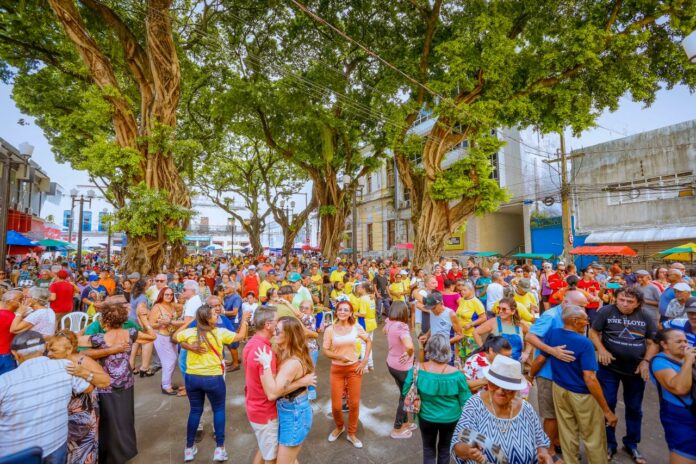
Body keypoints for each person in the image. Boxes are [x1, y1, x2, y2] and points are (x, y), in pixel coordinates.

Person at [529, 305, 617, 464]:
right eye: (585, 319)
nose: (587, 322)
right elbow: (590, 378)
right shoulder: (584, 343)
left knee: (567, 431)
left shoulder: (553, 334)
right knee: (593, 435)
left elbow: (541, 359)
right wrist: (606, 410)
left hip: (559, 389)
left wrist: (530, 376)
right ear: (575, 321)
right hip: (581, 394)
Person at [79, 301, 156, 464]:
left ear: (105, 320)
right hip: (126, 381)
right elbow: (152, 336)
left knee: (107, 419)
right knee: (125, 417)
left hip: (105, 384)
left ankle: (109, 456)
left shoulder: (98, 338)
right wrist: (146, 321)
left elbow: (75, 343)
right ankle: (126, 452)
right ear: (123, 319)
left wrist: (89, 327)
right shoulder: (131, 333)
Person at [589, 286, 658, 463]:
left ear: (638, 303)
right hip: (608, 368)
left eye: (630, 302)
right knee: (608, 403)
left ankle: (631, 443)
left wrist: (646, 361)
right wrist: (601, 349)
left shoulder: (646, 316)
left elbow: (652, 342)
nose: (625, 304)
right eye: (621, 300)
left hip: (635, 370)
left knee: (634, 408)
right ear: (615, 299)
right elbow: (594, 332)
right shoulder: (606, 311)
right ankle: (609, 444)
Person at [0, 331, 91, 463]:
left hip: (18, 455)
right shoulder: (64, 366)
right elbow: (88, 388)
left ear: (15, 353)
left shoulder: (5, 381)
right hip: (56, 444)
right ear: (44, 348)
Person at [174, 304, 249, 461]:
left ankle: (188, 449)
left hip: (192, 378)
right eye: (215, 315)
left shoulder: (190, 333)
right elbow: (240, 336)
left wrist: (190, 323)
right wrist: (245, 320)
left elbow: (175, 336)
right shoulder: (219, 333)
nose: (217, 316)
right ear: (207, 318)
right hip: (213, 378)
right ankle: (220, 449)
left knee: (195, 411)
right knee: (218, 410)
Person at [243, 306, 314, 464]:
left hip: (294, 413)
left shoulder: (290, 363)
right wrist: (301, 382)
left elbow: (273, 394)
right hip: (285, 410)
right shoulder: (277, 351)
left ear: (288, 336)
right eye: (275, 327)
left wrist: (267, 366)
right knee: (277, 456)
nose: (274, 331)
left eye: (278, 331)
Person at [451, 355, 553, 464]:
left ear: (515, 389)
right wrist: (468, 451)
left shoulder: (526, 409)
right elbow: (458, 445)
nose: (500, 391)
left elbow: (541, 442)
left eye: (507, 388)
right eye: (493, 384)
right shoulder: (474, 405)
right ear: (488, 382)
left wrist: (544, 456)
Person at [403, 334, 471, 464]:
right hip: (451, 418)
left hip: (426, 416)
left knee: (428, 449)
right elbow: (466, 401)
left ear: (429, 349)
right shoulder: (456, 374)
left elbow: (405, 390)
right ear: (447, 350)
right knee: (445, 449)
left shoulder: (417, 369)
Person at [47, 330, 111, 464]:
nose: (49, 354)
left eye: (53, 350)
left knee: (83, 450)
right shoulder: (52, 363)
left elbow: (105, 381)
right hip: (60, 415)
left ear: (69, 349)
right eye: (48, 350)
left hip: (84, 414)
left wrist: (84, 373)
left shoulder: (82, 361)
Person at [323, 300, 372, 448]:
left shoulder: (356, 327)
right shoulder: (330, 329)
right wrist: (339, 357)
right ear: (336, 312)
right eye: (340, 310)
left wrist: (364, 362)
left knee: (354, 403)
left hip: (354, 369)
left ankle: (351, 433)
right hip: (337, 370)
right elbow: (325, 350)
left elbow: (368, 341)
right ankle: (339, 427)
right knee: (337, 406)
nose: (342, 312)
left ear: (351, 313)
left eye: (346, 310)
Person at [649, 329, 696, 463]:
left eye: (686, 341)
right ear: (664, 344)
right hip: (681, 420)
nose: (684, 344)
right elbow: (679, 388)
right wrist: (688, 362)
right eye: (678, 341)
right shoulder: (659, 362)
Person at [384, 301, 416, 439]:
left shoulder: (389, 322)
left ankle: (405, 422)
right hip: (403, 368)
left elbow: (385, 331)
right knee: (405, 397)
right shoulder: (401, 326)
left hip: (392, 364)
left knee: (403, 393)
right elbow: (409, 345)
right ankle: (397, 428)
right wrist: (409, 351)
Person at [149, 286, 185, 395]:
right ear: (162, 295)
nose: (169, 296)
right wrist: (161, 323)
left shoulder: (172, 305)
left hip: (171, 336)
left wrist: (175, 318)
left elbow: (181, 308)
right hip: (161, 337)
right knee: (169, 360)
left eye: (171, 294)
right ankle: (166, 386)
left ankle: (167, 382)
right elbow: (151, 324)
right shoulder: (157, 307)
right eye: (166, 294)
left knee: (173, 359)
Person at [473, 297, 530, 363]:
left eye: (504, 309)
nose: (500, 311)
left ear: (513, 311)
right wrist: (484, 350)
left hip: (516, 365)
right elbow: (475, 332)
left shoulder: (520, 324)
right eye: (499, 308)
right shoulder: (493, 322)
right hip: (496, 365)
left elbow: (531, 336)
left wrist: (526, 353)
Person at [455, 281, 486, 359]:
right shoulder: (462, 300)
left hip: (471, 335)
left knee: (471, 358)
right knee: (462, 357)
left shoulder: (476, 302)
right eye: (461, 290)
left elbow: (484, 318)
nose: (462, 292)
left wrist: (471, 324)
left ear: (471, 290)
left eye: (464, 290)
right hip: (461, 334)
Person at [298, 300, 319, 400]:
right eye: (301, 307)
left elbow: (307, 333)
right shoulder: (299, 319)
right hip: (301, 349)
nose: (303, 310)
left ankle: (311, 391)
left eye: (306, 308)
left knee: (310, 370)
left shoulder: (310, 318)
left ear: (311, 310)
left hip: (311, 350)